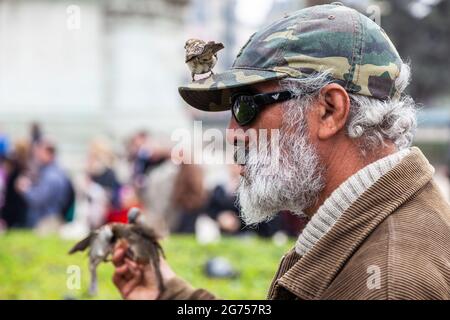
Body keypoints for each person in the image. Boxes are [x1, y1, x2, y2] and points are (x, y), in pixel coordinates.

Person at [112, 3, 450, 300]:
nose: (232, 134)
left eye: (246, 107)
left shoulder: (391, 283)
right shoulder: (360, 224)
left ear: (329, 111)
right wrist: (168, 293)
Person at [16, 138, 72, 230]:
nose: (37, 155)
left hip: (47, 221)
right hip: (50, 218)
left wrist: (25, 189)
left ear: (48, 152)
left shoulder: (52, 175)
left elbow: (38, 199)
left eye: (39, 151)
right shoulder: (55, 171)